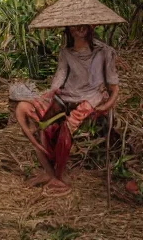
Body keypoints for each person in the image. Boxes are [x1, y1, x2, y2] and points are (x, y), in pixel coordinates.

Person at [15, 24, 122, 195]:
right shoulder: (66, 52)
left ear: (90, 27)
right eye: (74, 26)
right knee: (42, 125)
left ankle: (60, 177)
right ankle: (48, 172)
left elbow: (114, 88)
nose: (79, 29)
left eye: (83, 25)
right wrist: (49, 93)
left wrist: (105, 106)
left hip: (91, 98)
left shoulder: (105, 52)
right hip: (67, 96)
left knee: (66, 128)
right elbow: (60, 75)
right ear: (69, 29)